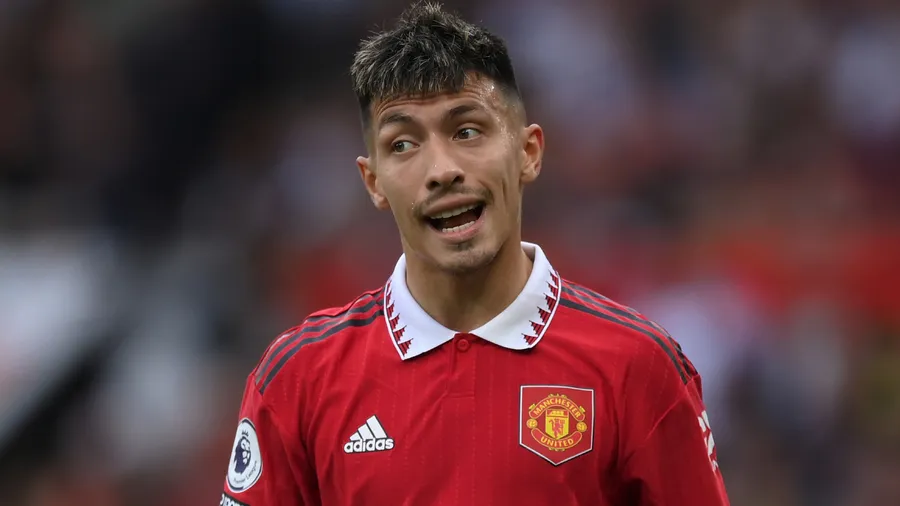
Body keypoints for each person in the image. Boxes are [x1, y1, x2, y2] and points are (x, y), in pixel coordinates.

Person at [220, 2, 730, 505]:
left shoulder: (639, 367)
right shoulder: (298, 378)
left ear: (528, 152)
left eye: (467, 131)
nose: (442, 170)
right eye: (403, 144)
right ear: (373, 182)